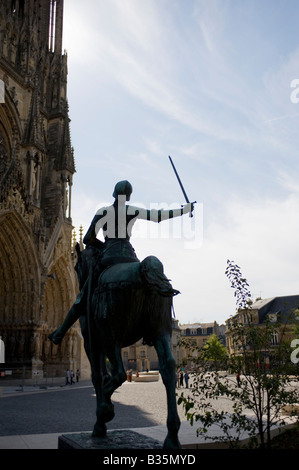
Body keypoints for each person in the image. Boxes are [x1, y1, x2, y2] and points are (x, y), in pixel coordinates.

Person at [48, 180, 195, 345]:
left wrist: (104, 246)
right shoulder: (131, 210)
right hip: (130, 257)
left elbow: (88, 238)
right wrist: (184, 210)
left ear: (114, 194)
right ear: (129, 196)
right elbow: (157, 216)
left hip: (109, 258)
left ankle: (60, 332)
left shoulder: (103, 211)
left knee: (82, 297)